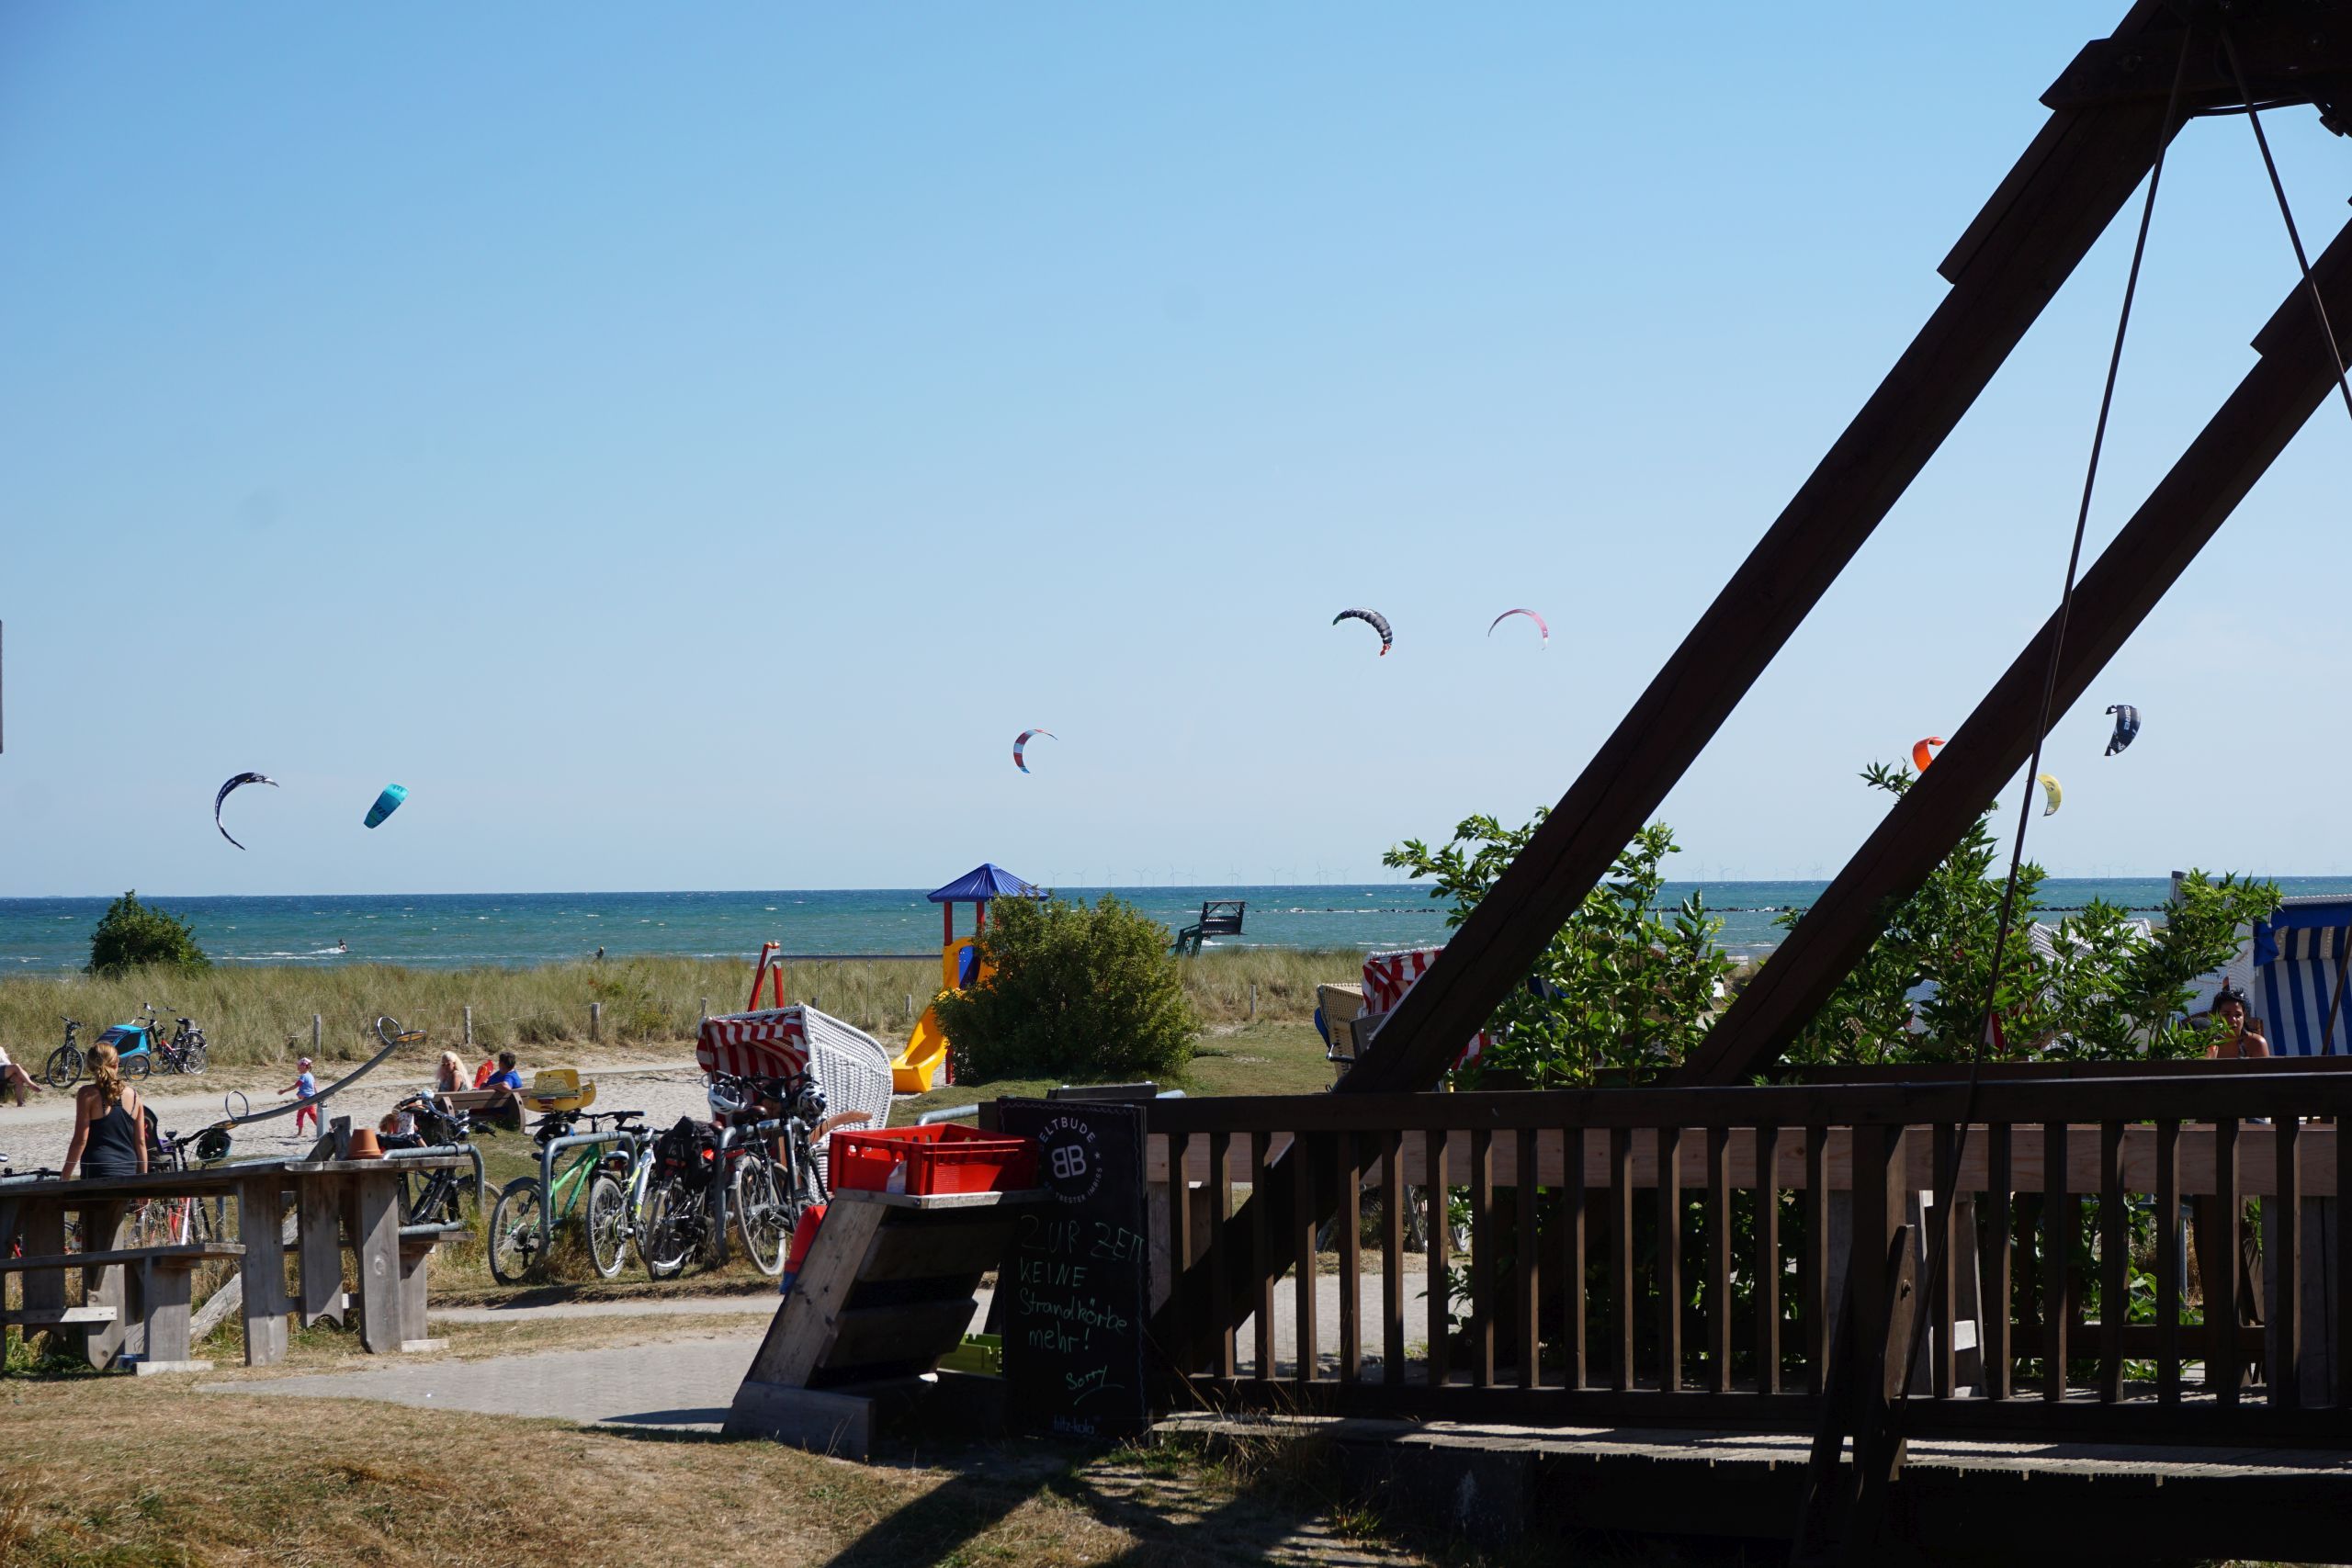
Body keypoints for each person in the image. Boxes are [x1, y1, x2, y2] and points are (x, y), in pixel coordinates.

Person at [62, 1042, 147, 1179]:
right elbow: (141, 1142)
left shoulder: (87, 1094)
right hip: (128, 1172)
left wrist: (64, 1177)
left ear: (90, 1066)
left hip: (98, 1169)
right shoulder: (135, 1096)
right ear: (116, 1063)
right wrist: (144, 1182)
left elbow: (80, 1140)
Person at [2204, 985, 2271, 1059]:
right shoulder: (2205, 1044)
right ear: (2215, 1016)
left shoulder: (2257, 1043)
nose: (2233, 1019)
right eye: (2226, 1014)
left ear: (2244, 1016)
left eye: (2238, 1015)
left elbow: (2264, 1070)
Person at [478, 1050, 524, 1129]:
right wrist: (484, 1085)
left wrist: (489, 1087)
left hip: (494, 1109)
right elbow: (487, 1080)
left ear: (501, 1063)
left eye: (499, 1061)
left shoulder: (509, 1076)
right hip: (491, 1104)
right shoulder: (501, 1072)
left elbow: (506, 1086)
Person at [284, 1056, 321, 1136]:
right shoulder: (310, 1076)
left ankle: (324, 1129)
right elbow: (314, 1087)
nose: (297, 1068)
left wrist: (284, 1091)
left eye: (299, 1066)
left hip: (308, 1100)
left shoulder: (303, 1077)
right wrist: (317, 1096)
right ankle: (300, 1132)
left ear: (304, 1066)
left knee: (313, 1116)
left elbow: (295, 1086)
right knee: (300, 1115)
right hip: (305, 1101)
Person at [0, 1043, 40, 1108]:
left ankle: (20, 1102)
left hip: (6, 1070)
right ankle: (30, 1084)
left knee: (19, 1078)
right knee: (16, 1066)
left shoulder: (1, 1048)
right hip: (2, 1069)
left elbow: (5, 1060)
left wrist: (6, 1057)